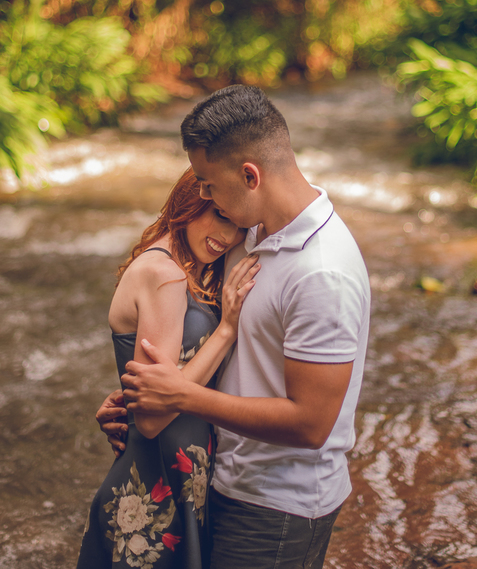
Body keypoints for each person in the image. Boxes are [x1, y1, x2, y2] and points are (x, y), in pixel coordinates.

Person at [115, 85, 372, 569]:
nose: (203, 195)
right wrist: (136, 397)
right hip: (225, 480)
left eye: (208, 184)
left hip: (278, 505)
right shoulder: (249, 230)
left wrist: (180, 396)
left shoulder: (322, 274)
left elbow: (311, 423)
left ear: (249, 175)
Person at [76, 167, 261, 569]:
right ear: (190, 201)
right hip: (155, 483)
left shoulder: (181, 264)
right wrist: (226, 330)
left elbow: (165, 377)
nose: (228, 236)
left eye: (238, 225)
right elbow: (152, 418)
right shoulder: (166, 275)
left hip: (178, 476)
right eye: (219, 215)